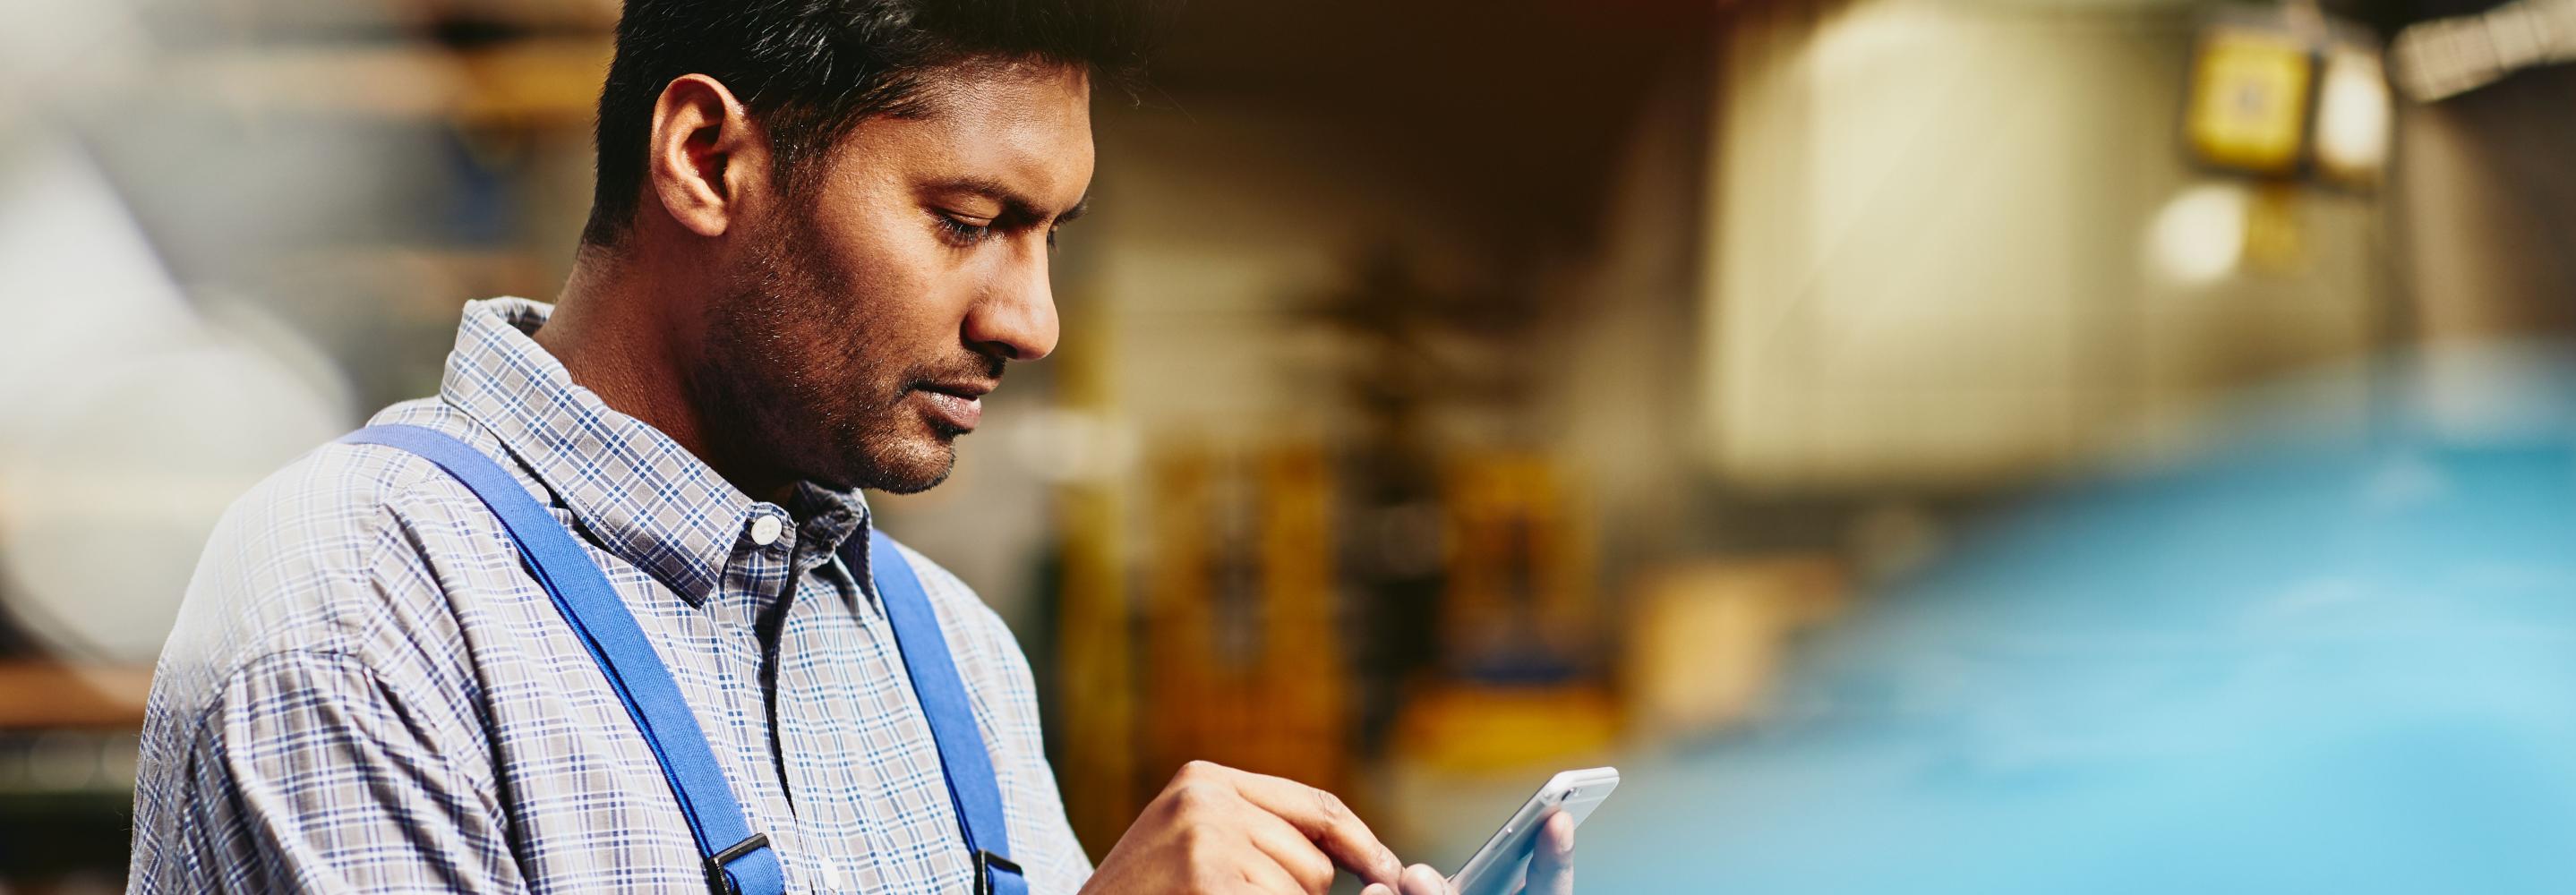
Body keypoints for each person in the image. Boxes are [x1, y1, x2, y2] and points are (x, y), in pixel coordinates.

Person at [123, 1, 1575, 893]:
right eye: (967, 222)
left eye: (1051, 237)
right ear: (707, 158)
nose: (1033, 321)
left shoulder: (950, 657)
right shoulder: (357, 612)